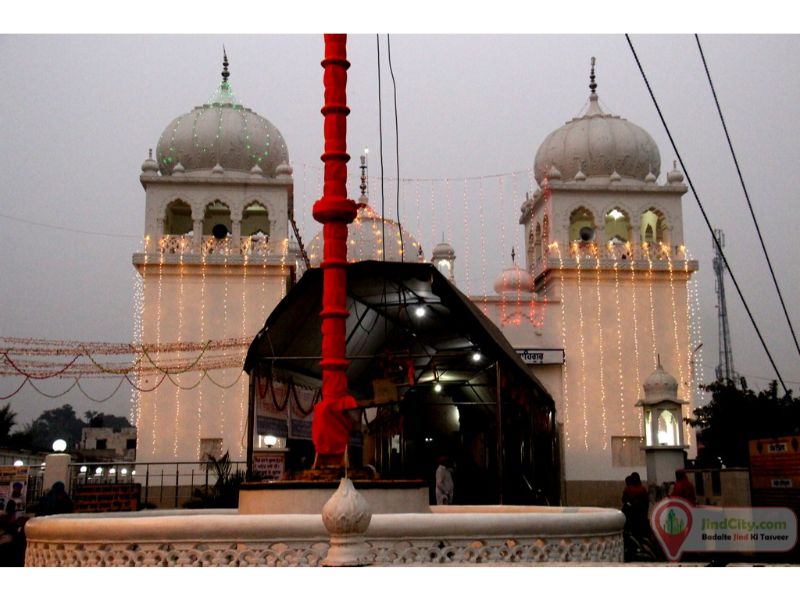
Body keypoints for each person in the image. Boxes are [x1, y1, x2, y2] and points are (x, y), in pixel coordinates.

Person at [621, 471, 650, 536]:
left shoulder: (628, 489)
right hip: (641, 515)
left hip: (630, 515)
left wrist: (629, 504)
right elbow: (646, 502)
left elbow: (624, 499)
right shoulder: (643, 489)